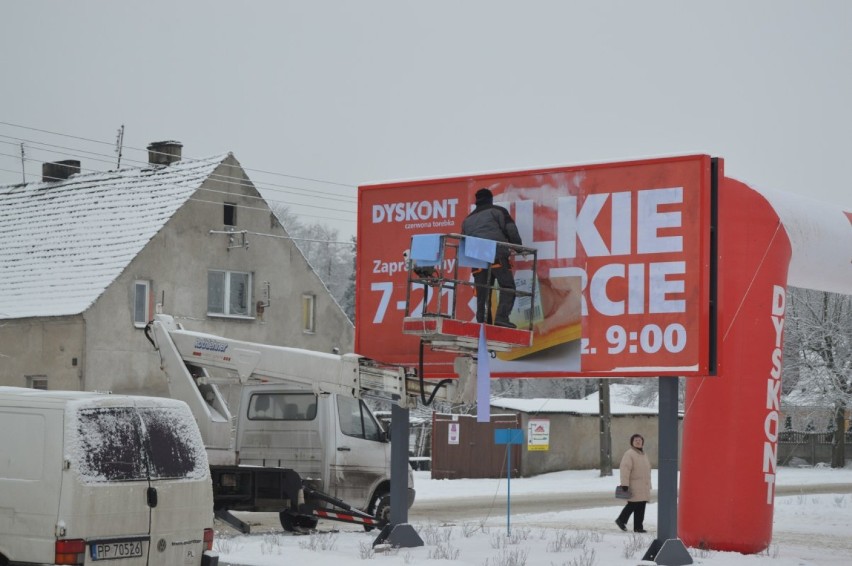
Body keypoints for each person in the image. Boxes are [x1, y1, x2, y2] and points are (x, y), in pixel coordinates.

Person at [461, 188, 523, 328]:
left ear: (476, 201)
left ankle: (483, 324)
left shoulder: (467, 220)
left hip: (477, 261)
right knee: (507, 286)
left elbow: (463, 243)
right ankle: (501, 318)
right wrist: (518, 247)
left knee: (483, 293)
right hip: (496, 256)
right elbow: (511, 229)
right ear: (490, 199)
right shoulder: (498, 211)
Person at [615, 433, 652, 533]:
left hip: (643, 485)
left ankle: (638, 527)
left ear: (642, 442)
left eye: (640, 440)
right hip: (634, 485)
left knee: (641, 506)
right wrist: (625, 484)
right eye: (635, 440)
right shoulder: (629, 454)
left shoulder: (643, 454)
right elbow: (625, 469)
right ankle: (621, 520)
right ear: (632, 442)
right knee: (632, 504)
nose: (638, 441)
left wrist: (649, 484)